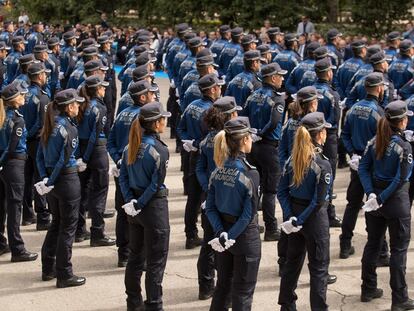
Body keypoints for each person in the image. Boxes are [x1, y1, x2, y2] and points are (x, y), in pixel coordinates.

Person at [358, 100, 414, 311]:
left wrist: (371, 193)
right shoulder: (403, 146)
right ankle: (399, 298)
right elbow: (401, 179)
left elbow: (363, 169)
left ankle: (368, 288)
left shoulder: (374, 141)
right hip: (395, 201)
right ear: (401, 121)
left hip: (376, 202)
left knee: (373, 244)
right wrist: (379, 197)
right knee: (399, 250)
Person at [278, 112, 332, 311]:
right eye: (324, 130)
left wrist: (291, 217)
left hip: (295, 217)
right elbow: (318, 201)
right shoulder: (322, 164)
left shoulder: (292, 159)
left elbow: (282, 191)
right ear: (319, 135)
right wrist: (298, 219)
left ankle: (286, 305)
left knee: (292, 264)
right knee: (318, 270)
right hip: (314, 220)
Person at [119, 102, 170, 311]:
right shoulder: (159, 149)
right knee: (156, 262)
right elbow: (156, 183)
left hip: (135, 209)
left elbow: (123, 178)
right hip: (153, 208)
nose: (166, 122)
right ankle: (154, 305)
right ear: (156, 123)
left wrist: (131, 201)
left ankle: (133, 303)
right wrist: (139, 203)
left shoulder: (130, 146)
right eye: (163, 119)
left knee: (135, 258)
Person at [206, 117, 261, 311]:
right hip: (244, 236)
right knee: (243, 293)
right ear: (245, 140)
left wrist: (221, 232)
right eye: (251, 137)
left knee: (222, 287)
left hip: (223, 235)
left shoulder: (217, 170)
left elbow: (210, 208)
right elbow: (248, 214)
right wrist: (230, 235)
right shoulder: (250, 174)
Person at [36, 88, 85, 288]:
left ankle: (48, 267)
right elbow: (63, 161)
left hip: (54, 183)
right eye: (76, 103)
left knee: (57, 224)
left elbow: (40, 156)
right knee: (68, 228)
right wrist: (51, 180)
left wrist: (46, 179)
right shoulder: (69, 128)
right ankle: (64, 273)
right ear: (68, 106)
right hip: (66, 181)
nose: (79, 106)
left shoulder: (50, 124)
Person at [340, 73, 390, 265]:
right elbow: (382, 142)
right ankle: (382, 252)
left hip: (356, 162)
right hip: (372, 166)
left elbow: (344, 135)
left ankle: (345, 244)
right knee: (375, 205)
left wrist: (353, 153)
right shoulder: (379, 113)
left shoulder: (353, 109)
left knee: (353, 205)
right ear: (379, 89)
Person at [195, 96, 241, 300]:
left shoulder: (206, 139)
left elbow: (199, 168)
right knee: (227, 245)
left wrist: (208, 189)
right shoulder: (226, 140)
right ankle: (225, 290)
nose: (237, 116)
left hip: (211, 199)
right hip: (226, 200)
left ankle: (206, 285)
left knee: (209, 243)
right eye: (234, 113)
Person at [107, 80, 157, 266]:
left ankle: (124, 253)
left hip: (123, 171)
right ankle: (137, 255)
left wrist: (119, 159)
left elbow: (111, 142)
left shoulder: (122, 115)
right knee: (139, 213)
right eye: (150, 94)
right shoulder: (144, 118)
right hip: (137, 174)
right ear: (142, 97)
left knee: (123, 212)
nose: (153, 96)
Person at [177, 73, 224, 249]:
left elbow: (180, 128)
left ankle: (190, 234)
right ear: (212, 89)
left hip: (194, 156)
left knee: (193, 198)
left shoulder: (191, 106)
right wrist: (195, 143)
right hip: (208, 157)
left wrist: (188, 142)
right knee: (207, 197)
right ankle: (208, 234)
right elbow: (210, 137)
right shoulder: (212, 110)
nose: (220, 89)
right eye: (218, 86)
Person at [243, 63, 286, 241]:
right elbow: (275, 121)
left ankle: (252, 224)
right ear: (273, 78)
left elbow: (243, 116)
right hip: (268, 147)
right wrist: (261, 133)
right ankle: (271, 228)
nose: (282, 79)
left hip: (252, 146)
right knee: (270, 190)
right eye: (280, 76)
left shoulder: (253, 95)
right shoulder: (277, 99)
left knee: (254, 188)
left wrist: (251, 133)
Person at [0, 82, 38, 262]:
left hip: (5, 164)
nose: (24, 97)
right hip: (13, 164)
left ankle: (1, 243)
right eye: (21, 95)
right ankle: (17, 248)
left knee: (2, 205)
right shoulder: (17, 119)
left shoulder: (4, 116)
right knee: (15, 207)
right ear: (14, 99)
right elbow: (13, 147)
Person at [76, 75, 115, 247]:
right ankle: (97, 233)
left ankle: (79, 230)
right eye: (102, 87)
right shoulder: (99, 107)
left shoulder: (82, 104)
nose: (104, 90)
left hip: (84, 149)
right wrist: (85, 157)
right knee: (99, 192)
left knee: (83, 191)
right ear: (97, 89)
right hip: (96, 150)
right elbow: (95, 134)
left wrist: (81, 156)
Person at [21, 62, 51, 231]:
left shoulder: (24, 94)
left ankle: (27, 214)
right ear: (39, 76)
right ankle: (42, 217)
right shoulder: (42, 97)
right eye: (44, 74)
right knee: (40, 178)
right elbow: (41, 124)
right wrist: (30, 135)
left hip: (24, 142)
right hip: (36, 142)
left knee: (27, 179)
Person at [313, 58, 342, 227]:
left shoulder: (310, 90)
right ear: (329, 73)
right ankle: (329, 213)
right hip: (328, 137)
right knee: (328, 176)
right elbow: (335, 119)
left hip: (311, 136)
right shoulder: (332, 95)